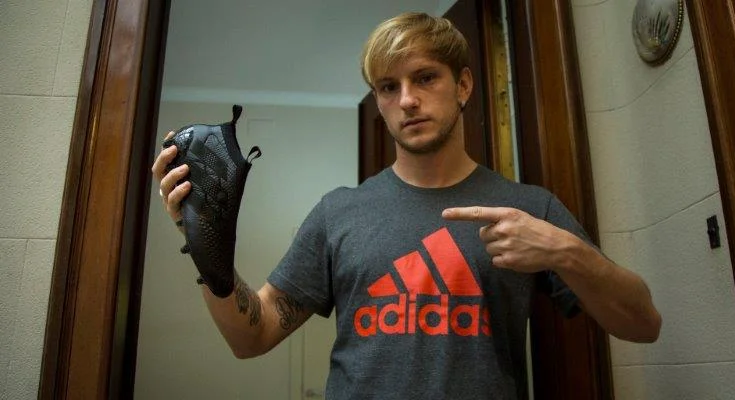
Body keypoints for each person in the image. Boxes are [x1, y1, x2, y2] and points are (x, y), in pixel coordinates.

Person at [151, 12, 661, 400]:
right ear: (378, 102)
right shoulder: (338, 213)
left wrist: (566, 252)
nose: (407, 100)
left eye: (425, 78)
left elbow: (643, 324)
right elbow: (252, 337)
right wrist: (205, 240)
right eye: (388, 87)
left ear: (463, 86)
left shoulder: (529, 208)